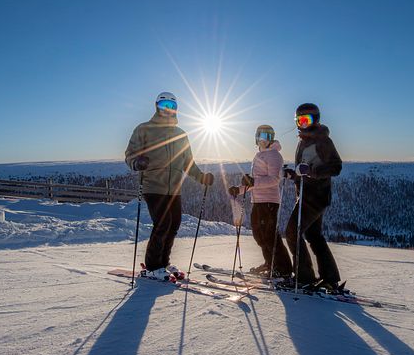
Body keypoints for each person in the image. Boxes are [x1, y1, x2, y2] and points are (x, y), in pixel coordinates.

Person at [125, 92, 214, 280]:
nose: (168, 109)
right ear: (157, 106)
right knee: (162, 224)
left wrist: (201, 177)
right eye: (164, 104)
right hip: (153, 185)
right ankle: (152, 266)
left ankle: (163, 262)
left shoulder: (180, 134)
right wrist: (137, 163)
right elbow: (130, 154)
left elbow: (188, 162)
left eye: (172, 106)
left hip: (174, 189)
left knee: (174, 224)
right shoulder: (144, 129)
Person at [284, 103, 343, 290]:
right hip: (308, 194)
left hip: (315, 197)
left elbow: (336, 167)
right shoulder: (304, 141)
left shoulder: (322, 140)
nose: (302, 124)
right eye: (299, 120)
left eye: (306, 120)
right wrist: (293, 175)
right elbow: (304, 170)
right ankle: (329, 277)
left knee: (292, 232)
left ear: (315, 120)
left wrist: (312, 171)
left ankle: (304, 277)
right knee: (314, 235)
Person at [228, 125, 293, 278]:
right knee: (259, 235)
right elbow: (254, 182)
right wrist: (240, 189)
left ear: (272, 139)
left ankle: (283, 269)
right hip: (257, 201)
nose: (264, 140)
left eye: (268, 136)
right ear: (256, 138)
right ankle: (270, 263)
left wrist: (253, 181)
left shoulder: (274, 155)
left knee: (270, 236)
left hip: (269, 201)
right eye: (262, 136)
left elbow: (274, 179)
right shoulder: (260, 155)